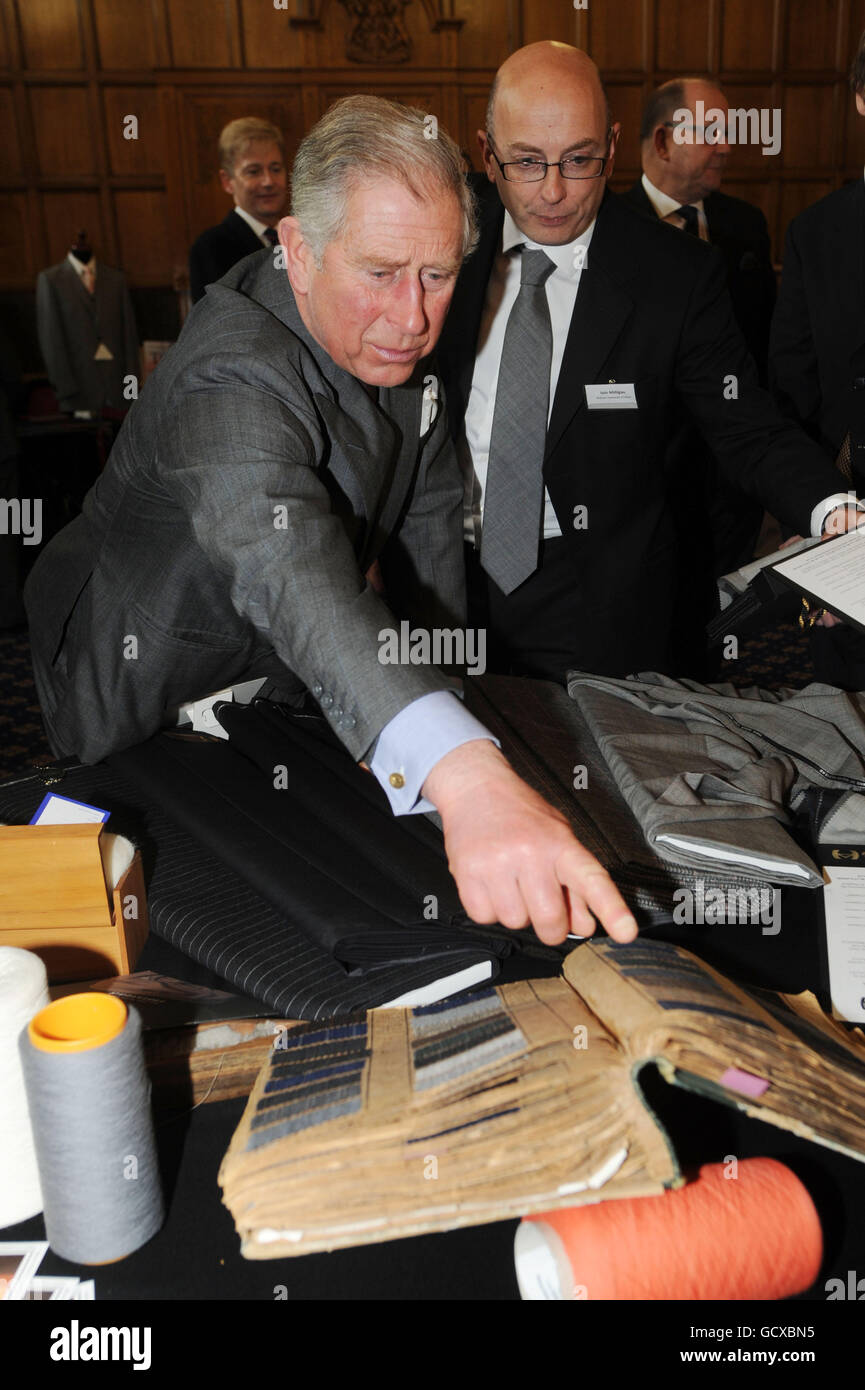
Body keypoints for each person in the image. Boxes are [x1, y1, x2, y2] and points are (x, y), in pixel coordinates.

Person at [24, 95, 636, 950]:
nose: (413, 319)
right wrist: (461, 777)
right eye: (381, 273)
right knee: (162, 906)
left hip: (282, 667)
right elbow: (281, 561)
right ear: (299, 252)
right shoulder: (229, 371)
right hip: (139, 660)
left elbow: (427, 555)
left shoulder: (401, 346)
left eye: (437, 276)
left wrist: (445, 714)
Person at [436, 42, 860, 685]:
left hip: (592, 603)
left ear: (611, 143)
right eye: (525, 161)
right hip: (439, 585)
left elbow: (746, 424)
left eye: (580, 160)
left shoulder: (675, 274)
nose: (553, 191)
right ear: (486, 149)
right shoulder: (442, 233)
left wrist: (833, 509)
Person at [622, 77, 776, 600]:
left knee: (725, 612)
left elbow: (764, 343)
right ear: (663, 142)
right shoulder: (611, 229)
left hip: (734, 475)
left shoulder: (747, 224)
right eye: (712, 131)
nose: (728, 146)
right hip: (646, 474)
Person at [769, 30, 865, 688]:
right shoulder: (816, 231)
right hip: (850, 533)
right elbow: (790, 393)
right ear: (861, 99)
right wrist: (802, 512)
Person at [189, 118, 288, 304]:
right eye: (253, 171)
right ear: (227, 181)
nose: (268, 181)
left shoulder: (302, 238)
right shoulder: (211, 247)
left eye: (276, 169)